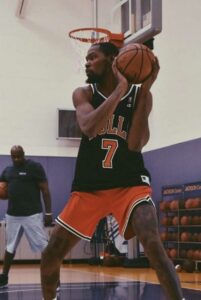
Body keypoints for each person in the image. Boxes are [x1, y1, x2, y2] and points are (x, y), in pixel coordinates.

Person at [40, 42, 185, 300]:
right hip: (90, 187)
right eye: (87, 58)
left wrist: (144, 91)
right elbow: (89, 127)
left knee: (152, 243)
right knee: (51, 253)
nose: (87, 62)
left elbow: (135, 144)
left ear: (113, 60)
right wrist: (120, 89)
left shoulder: (142, 97)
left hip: (130, 184)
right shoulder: (83, 93)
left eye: (92, 57)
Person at [0, 145, 53, 288]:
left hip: (32, 215)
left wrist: (48, 213)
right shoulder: (7, 171)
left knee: (45, 248)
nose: (16, 159)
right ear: (11, 156)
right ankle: (4, 277)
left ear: (24, 154)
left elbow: (45, 190)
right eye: (13, 156)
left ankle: (54, 279)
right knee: (9, 248)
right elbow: (2, 191)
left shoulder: (35, 167)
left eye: (19, 156)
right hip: (12, 216)